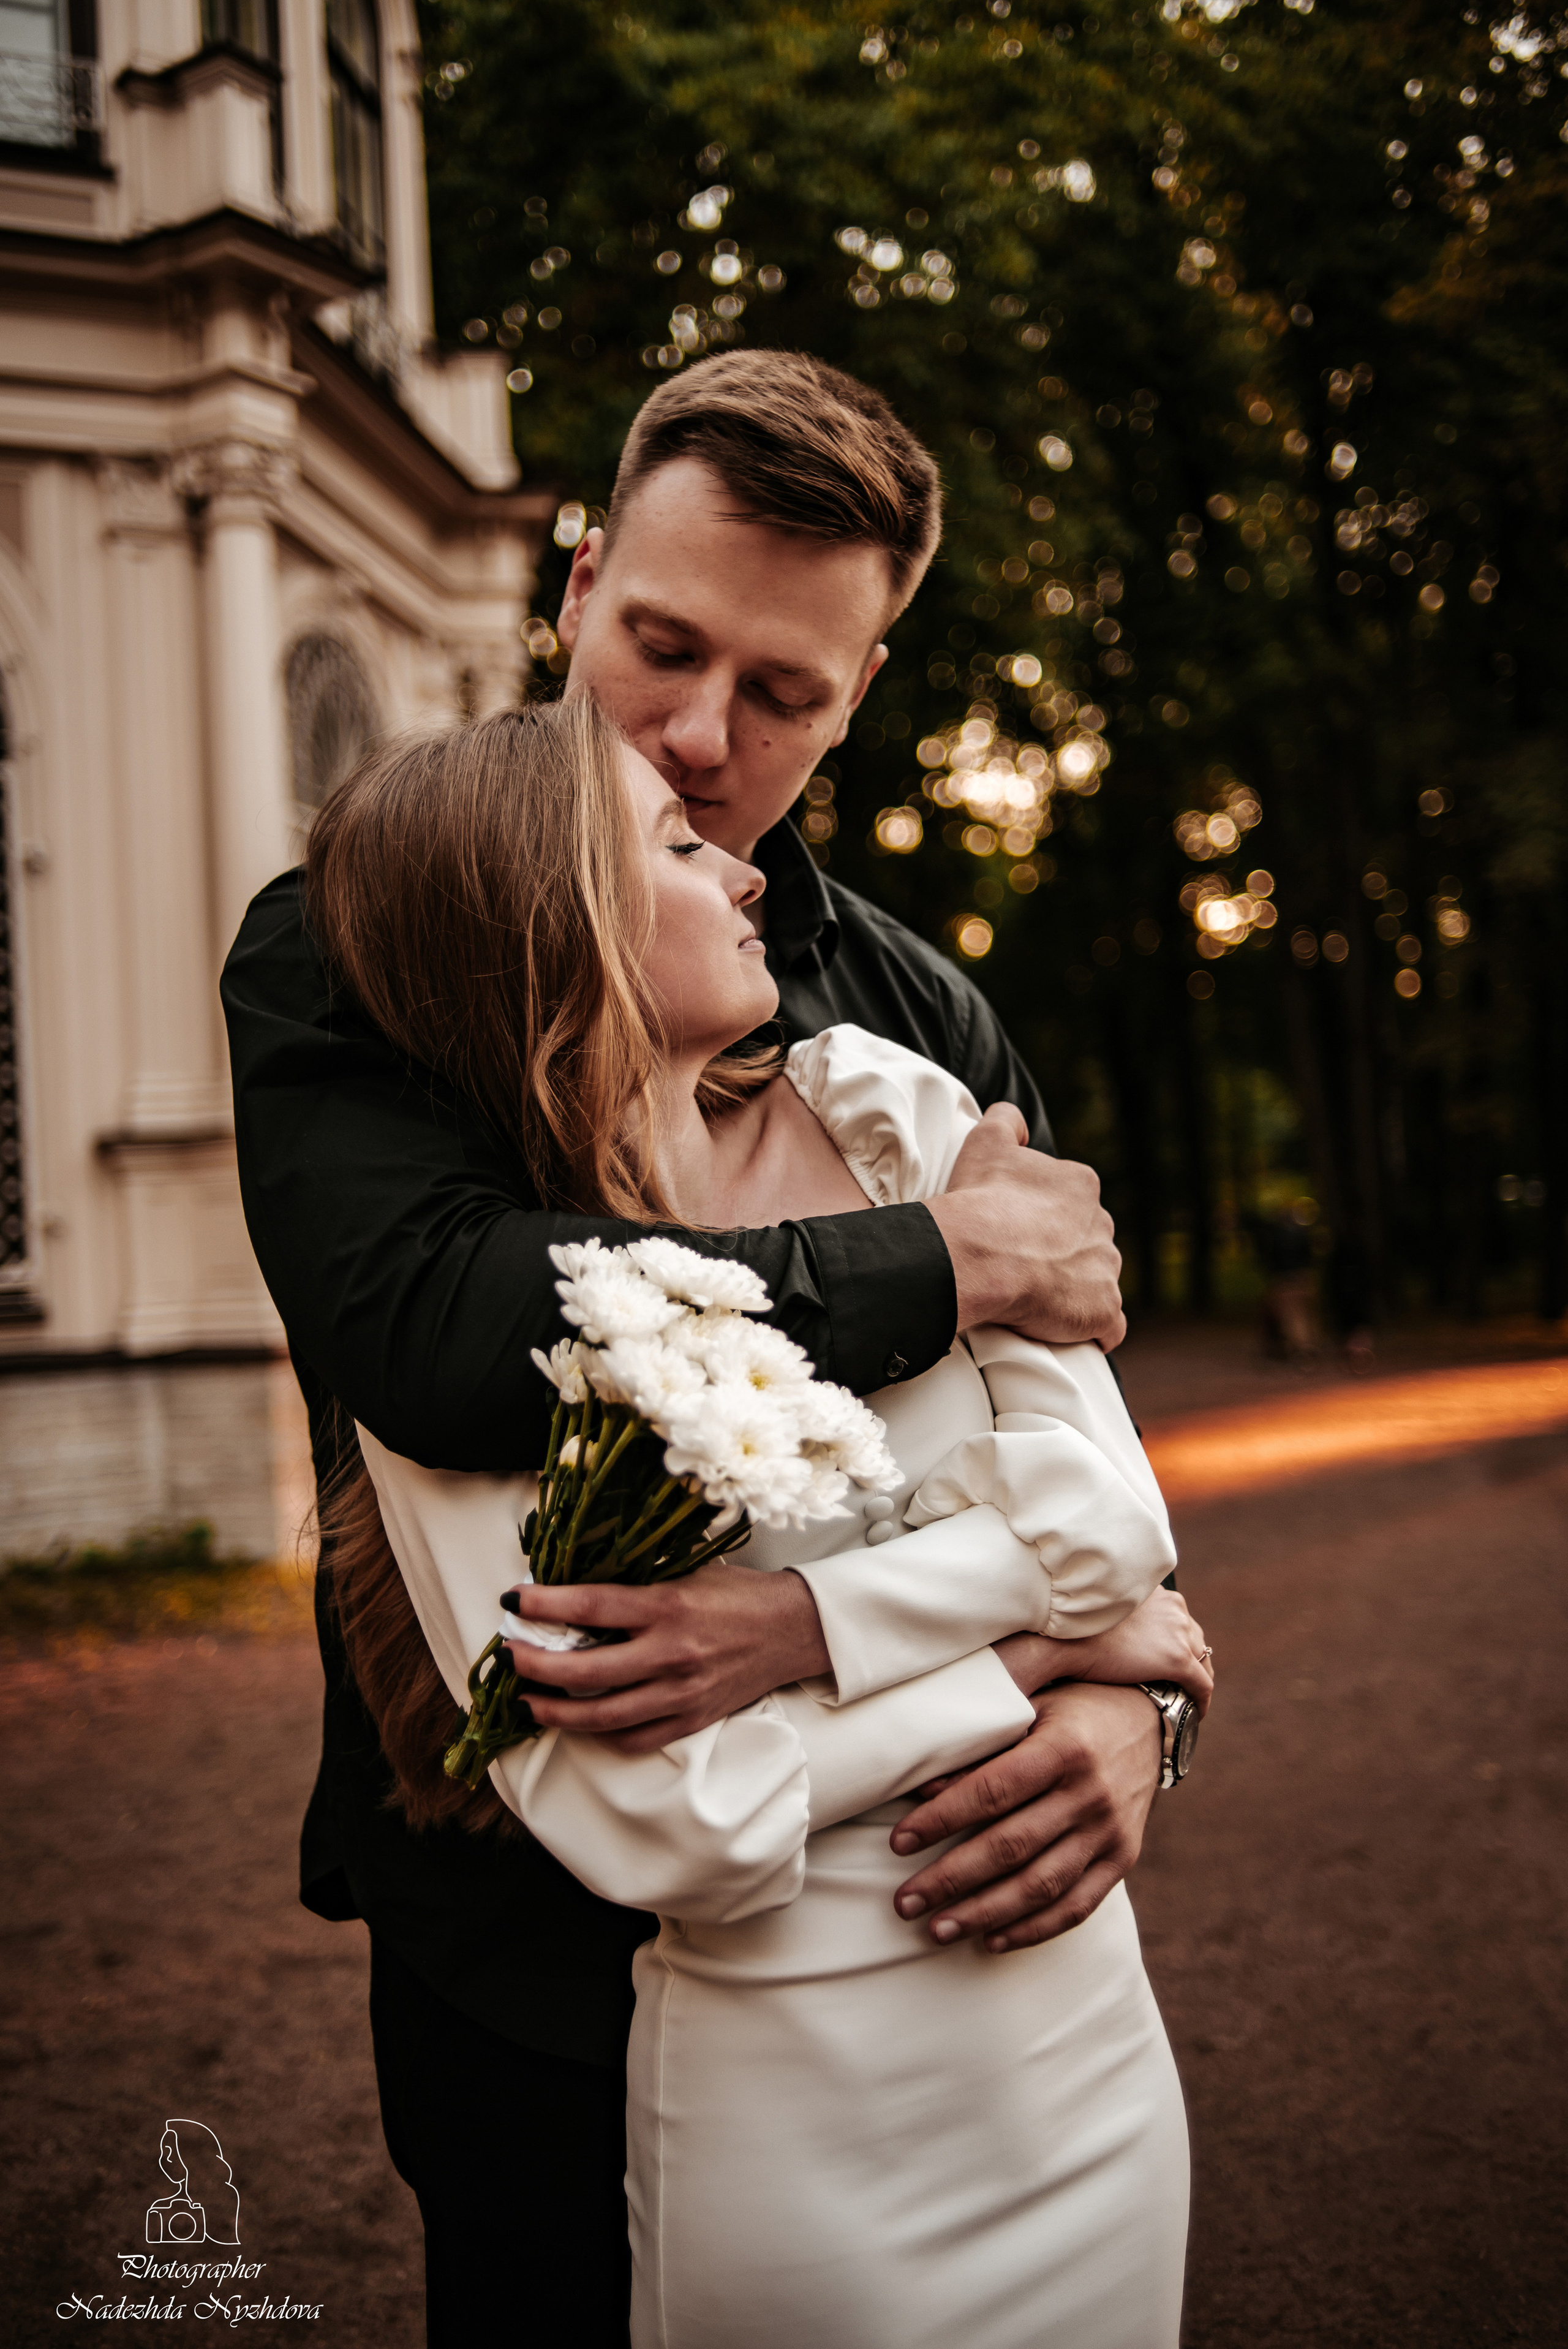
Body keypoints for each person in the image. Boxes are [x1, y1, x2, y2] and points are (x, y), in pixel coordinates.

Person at [221, 352, 1174, 2346]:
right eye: (661, 646)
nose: (702, 735)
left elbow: (1070, 1457)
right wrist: (935, 1257)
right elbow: (443, 1331)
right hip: (524, 1943)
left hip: (949, 1929)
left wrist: (1132, 1710)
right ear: (576, 583)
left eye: (785, 692)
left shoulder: (920, 1021)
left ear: (863, 692)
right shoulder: (366, 935)